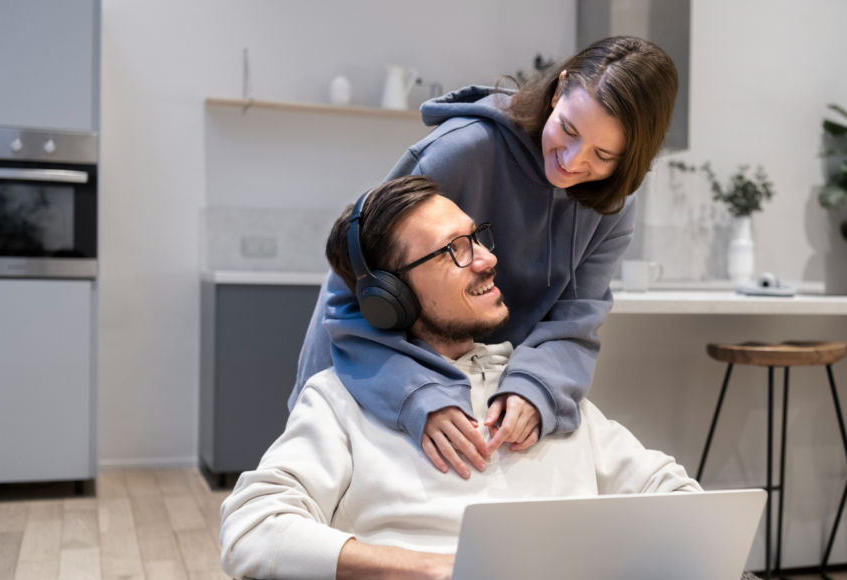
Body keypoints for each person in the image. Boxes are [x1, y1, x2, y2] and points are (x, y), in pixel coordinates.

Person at [221, 176, 702, 580]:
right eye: (455, 250)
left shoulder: (537, 390)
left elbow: (681, 501)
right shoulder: (339, 402)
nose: (488, 259)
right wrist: (431, 570)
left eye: (476, 238)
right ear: (391, 296)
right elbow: (252, 529)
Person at [290, 36, 680, 476]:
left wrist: (537, 388)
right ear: (558, 90)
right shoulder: (460, 153)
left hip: (479, 409)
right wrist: (416, 394)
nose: (572, 161)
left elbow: (576, 318)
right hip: (383, 387)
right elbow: (355, 293)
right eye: (568, 129)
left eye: (603, 154)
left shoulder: (613, 207)